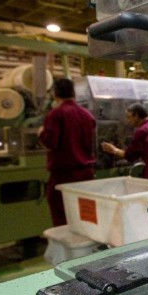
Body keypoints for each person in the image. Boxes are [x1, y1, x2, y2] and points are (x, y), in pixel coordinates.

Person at [38, 78, 96, 226]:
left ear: (55, 94)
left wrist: (41, 133)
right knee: (86, 219)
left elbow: (50, 142)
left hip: (64, 177)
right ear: (73, 93)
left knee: (63, 221)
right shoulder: (87, 115)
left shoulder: (56, 114)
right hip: (86, 176)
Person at [101, 103, 148, 180]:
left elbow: (130, 155)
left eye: (129, 117)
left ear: (136, 116)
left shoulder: (141, 131)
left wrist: (114, 150)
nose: (128, 121)